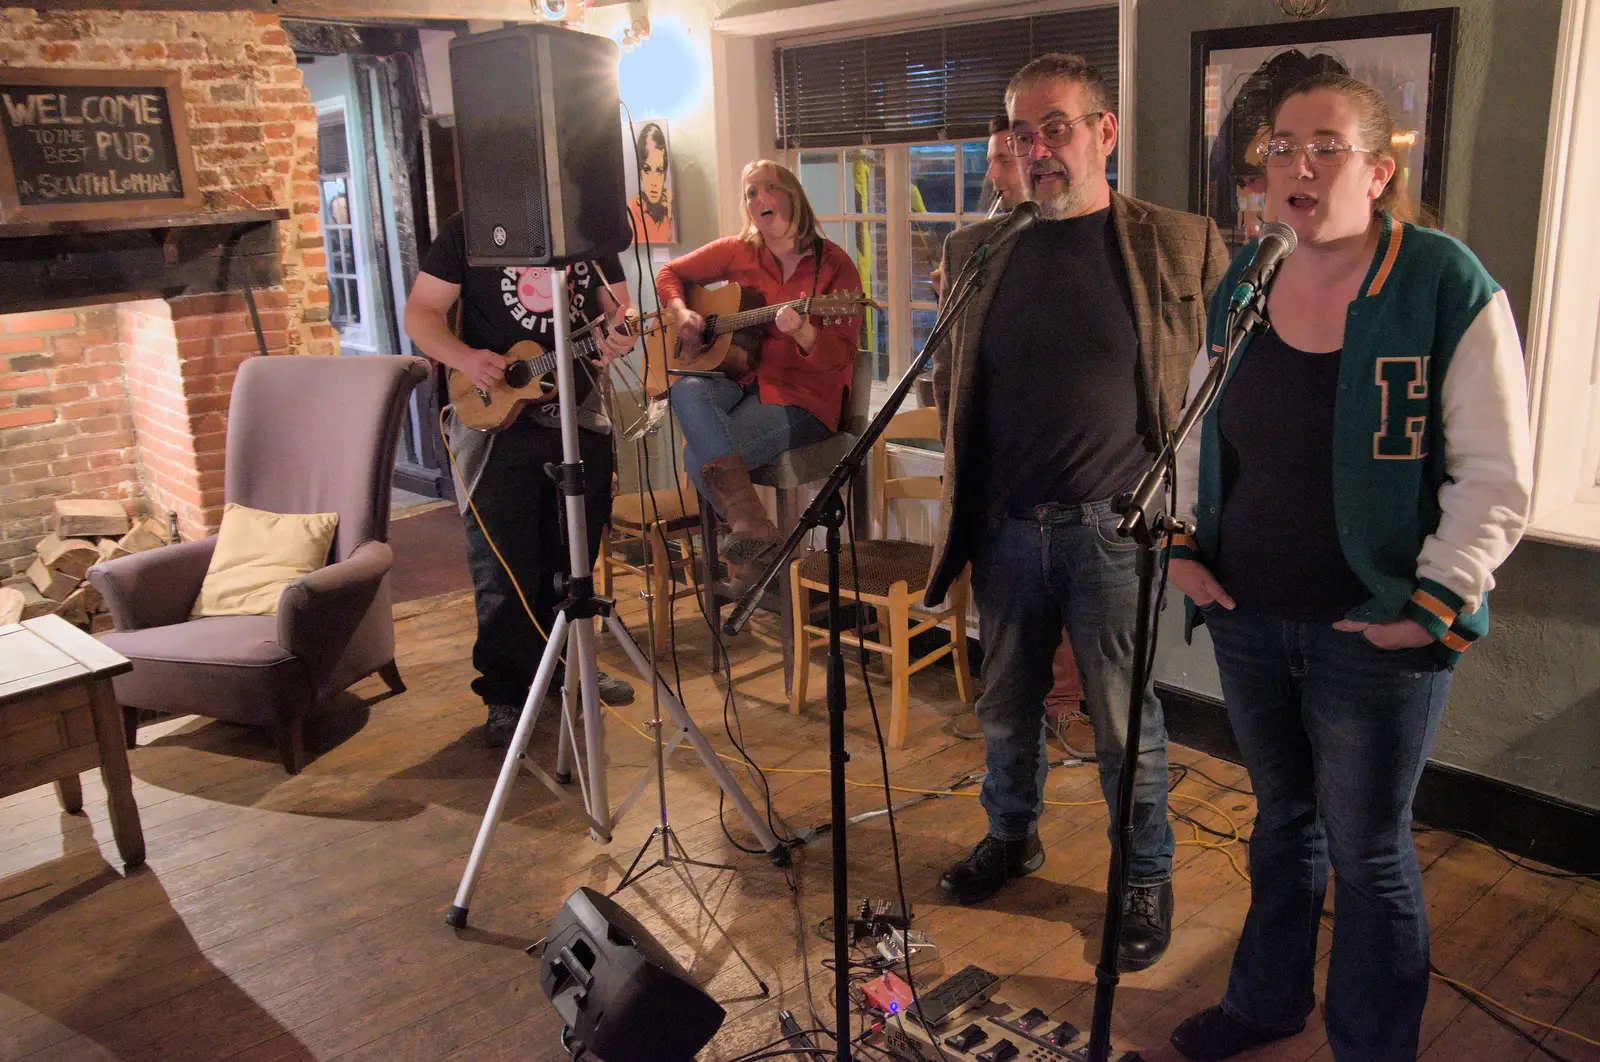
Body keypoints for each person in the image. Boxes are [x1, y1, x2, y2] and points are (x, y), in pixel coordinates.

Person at [1165, 73, 1532, 1061]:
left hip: (1375, 627)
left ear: (1378, 169)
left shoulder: (1441, 283)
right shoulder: (1247, 274)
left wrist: (1433, 602)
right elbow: (1200, 430)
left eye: (1325, 145)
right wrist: (1185, 541)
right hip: (1249, 613)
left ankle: (1373, 1048)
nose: (1297, 164)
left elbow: (1495, 472)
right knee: (1282, 823)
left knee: (1369, 855)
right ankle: (1265, 1002)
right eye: (1281, 146)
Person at [924, 53, 1230, 973]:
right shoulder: (974, 251)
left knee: (1125, 722)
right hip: (1007, 525)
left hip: (1115, 532)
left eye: (1056, 127)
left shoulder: (1181, 243)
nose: (1038, 148)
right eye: (1022, 132)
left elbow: (1222, 391)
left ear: (1104, 132)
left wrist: (1192, 521)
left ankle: (1145, 875)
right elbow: (956, 390)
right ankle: (1011, 836)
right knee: (1006, 708)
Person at [404, 212, 639, 749]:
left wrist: (618, 335)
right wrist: (464, 358)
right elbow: (421, 312)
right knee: (504, 565)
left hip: (577, 414)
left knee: (574, 559)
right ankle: (508, 692)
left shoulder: (586, 224)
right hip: (495, 416)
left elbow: (618, 308)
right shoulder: (472, 228)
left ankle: (570, 670)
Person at [655, 160, 862, 564]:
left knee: (696, 459)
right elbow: (668, 272)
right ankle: (758, 535)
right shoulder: (737, 251)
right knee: (687, 389)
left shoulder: (835, 266)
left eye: (769, 187)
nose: (758, 198)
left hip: (804, 399)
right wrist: (681, 313)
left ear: (792, 196)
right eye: (750, 192)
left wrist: (804, 334)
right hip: (740, 379)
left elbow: (840, 358)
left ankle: (760, 554)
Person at [629, 122, 674, 246]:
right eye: (647, 169)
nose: (654, 182)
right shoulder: (632, 210)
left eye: (659, 170)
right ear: (640, 171)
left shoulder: (671, 204)